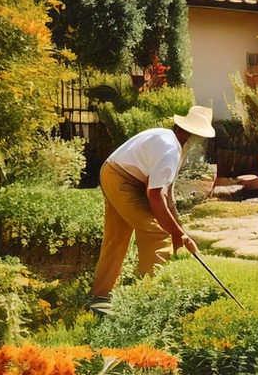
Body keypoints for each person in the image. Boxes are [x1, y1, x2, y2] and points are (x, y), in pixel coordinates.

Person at [88, 105, 216, 310]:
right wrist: (173, 233)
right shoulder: (170, 152)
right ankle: (151, 298)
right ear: (192, 135)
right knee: (156, 232)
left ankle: (101, 296)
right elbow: (155, 198)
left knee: (117, 236)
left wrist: (181, 232)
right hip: (123, 179)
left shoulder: (171, 143)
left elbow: (168, 197)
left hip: (112, 172)